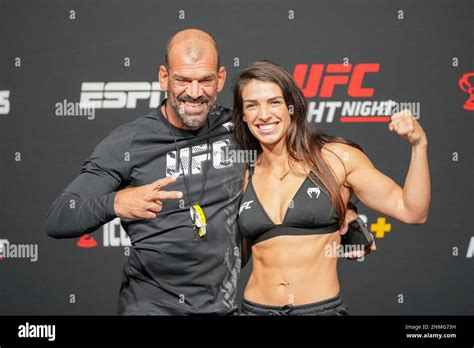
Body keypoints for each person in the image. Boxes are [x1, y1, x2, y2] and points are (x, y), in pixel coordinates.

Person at [46, 28, 364, 315]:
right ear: (163, 77)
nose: (195, 92)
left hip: (222, 309)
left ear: (220, 79)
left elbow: (305, 159)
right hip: (150, 309)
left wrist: (346, 211)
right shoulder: (129, 143)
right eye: (183, 80)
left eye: (205, 80)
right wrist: (116, 203)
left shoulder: (239, 129)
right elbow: (59, 217)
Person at [233, 61, 430, 315]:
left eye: (274, 102)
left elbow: (413, 211)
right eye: (252, 105)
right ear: (243, 116)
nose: (263, 115)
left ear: (292, 107)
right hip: (254, 310)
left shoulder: (336, 159)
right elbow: (234, 259)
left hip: (319, 310)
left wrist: (419, 146)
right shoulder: (242, 174)